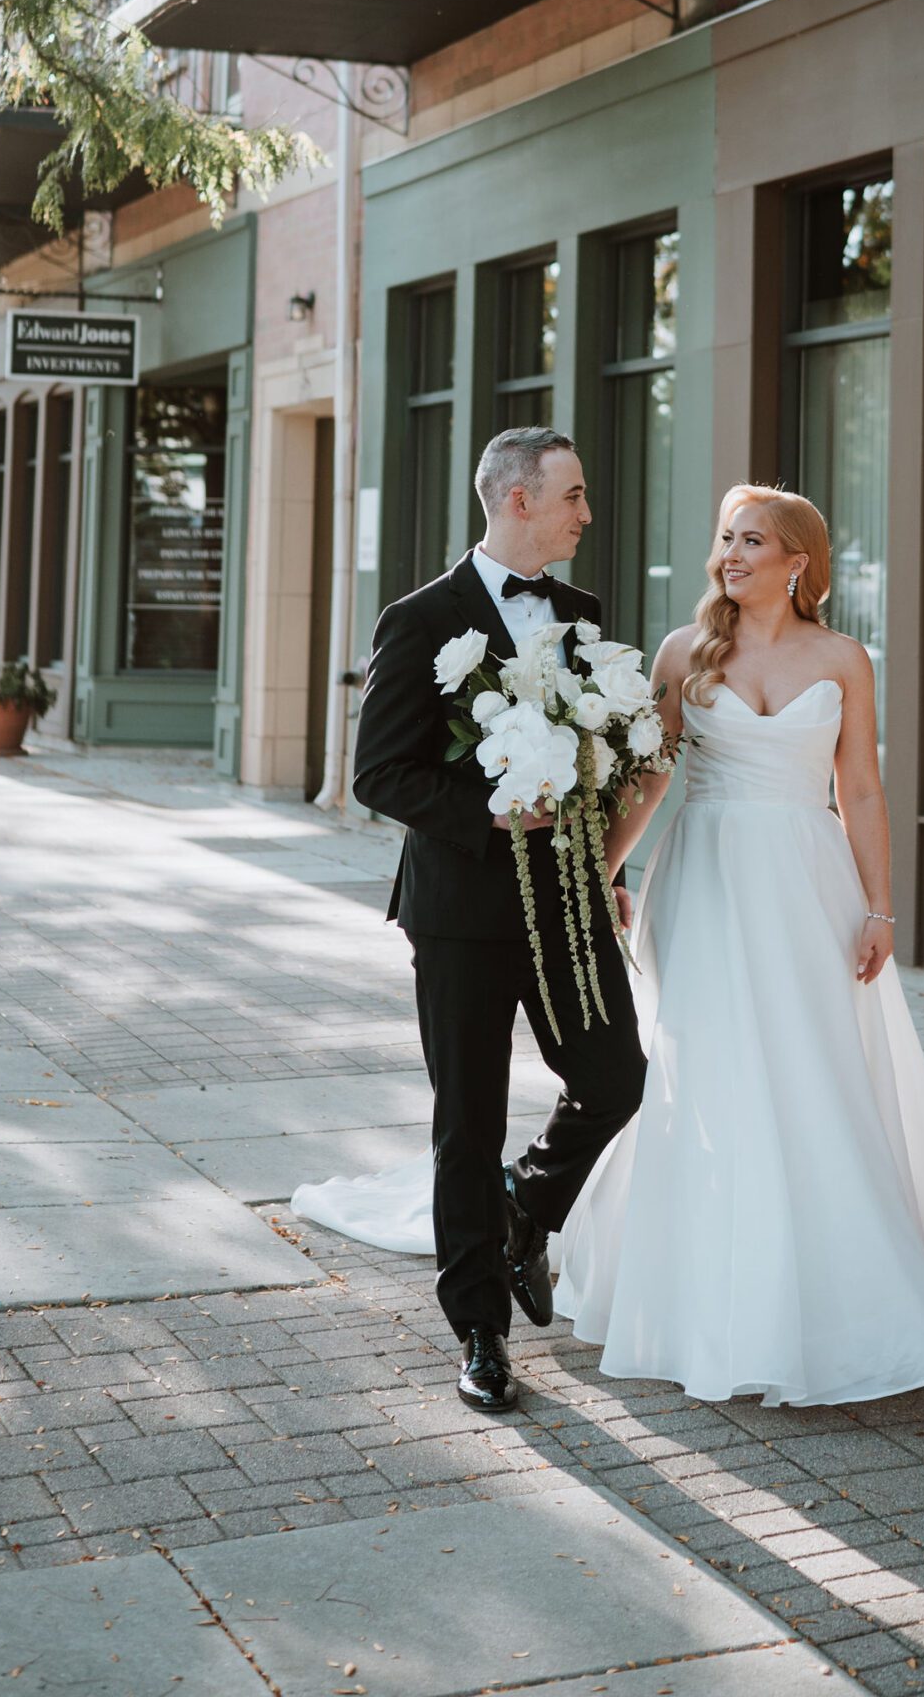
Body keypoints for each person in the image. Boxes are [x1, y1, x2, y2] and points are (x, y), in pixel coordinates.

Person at [556, 484, 924, 1404]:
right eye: (725, 538)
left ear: (798, 561)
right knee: (707, 1067)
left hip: (806, 882)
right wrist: (604, 868)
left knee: (808, 1066)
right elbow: (648, 779)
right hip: (706, 882)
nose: (731, 556)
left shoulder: (843, 657)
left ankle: (835, 1285)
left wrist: (879, 908)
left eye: (751, 540)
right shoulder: (685, 652)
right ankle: (702, 1289)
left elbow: (863, 792)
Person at [332, 427, 646, 1414]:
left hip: (566, 902)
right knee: (465, 1122)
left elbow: (599, 753)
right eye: (572, 495)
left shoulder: (580, 617)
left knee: (614, 1076)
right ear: (516, 500)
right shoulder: (421, 620)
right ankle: (478, 1331)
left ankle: (526, 1207)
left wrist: (603, 856)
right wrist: (491, 814)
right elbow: (379, 772)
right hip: (462, 910)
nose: (584, 514)